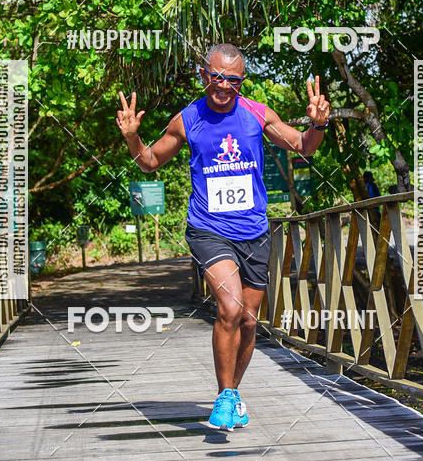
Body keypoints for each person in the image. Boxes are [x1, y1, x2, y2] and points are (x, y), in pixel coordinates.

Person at [116, 43, 330, 431]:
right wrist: (133, 137)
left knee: (249, 321)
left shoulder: (257, 114)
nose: (223, 85)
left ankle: (232, 394)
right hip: (208, 229)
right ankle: (224, 395)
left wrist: (317, 125)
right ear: (204, 76)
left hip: (254, 231)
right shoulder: (188, 119)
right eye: (216, 76)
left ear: (241, 83)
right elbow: (148, 161)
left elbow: (303, 147)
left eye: (232, 80)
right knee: (229, 309)